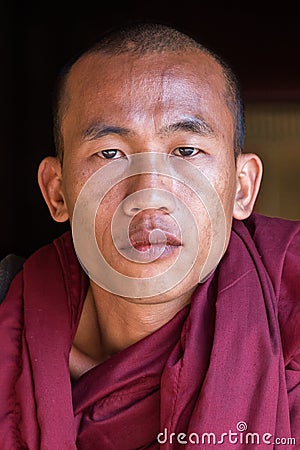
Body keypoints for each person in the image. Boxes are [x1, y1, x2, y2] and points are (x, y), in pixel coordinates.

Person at [0, 21, 299, 449]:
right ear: (57, 191)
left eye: (186, 151)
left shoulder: (291, 309)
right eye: (109, 153)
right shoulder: (7, 316)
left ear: (242, 187)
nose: (148, 195)